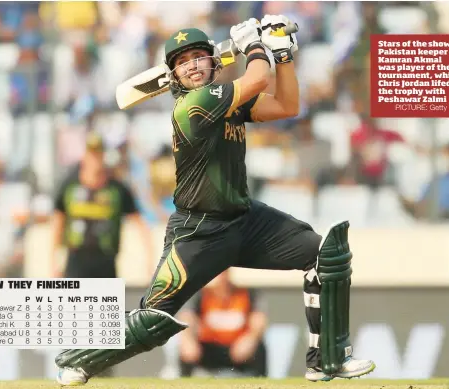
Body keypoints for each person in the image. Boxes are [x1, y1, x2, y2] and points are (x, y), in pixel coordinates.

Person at [55, 15, 376, 386]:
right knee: (154, 319)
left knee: (325, 254)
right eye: (182, 60)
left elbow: (287, 106)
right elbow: (256, 78)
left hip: (245, 220)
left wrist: (283, 56)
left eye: (198, 56)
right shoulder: (194, 105)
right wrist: (255, 44)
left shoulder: (228, 102)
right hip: (198, 231)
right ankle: (79, 361)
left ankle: (327, 361)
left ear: (212, 61)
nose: (192, 64)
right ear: (172, 75)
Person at [51, 131, 153, 279]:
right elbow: (57, 223)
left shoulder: (117, 189)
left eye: (98, 154)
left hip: (106, 261)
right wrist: (53, 263)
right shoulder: (70, 187)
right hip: (76, 261)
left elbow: (141, 224)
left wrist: (149, 260)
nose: (95, 160)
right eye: (91, 154)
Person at [178, 270, 267, 377]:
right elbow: (187, 317)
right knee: (186, 347)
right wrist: (188, 339)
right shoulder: (201, 295)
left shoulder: (246, 294)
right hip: (208, 348)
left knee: (259, 347)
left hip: (237, 349)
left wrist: (250, 338)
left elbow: (258, 318)